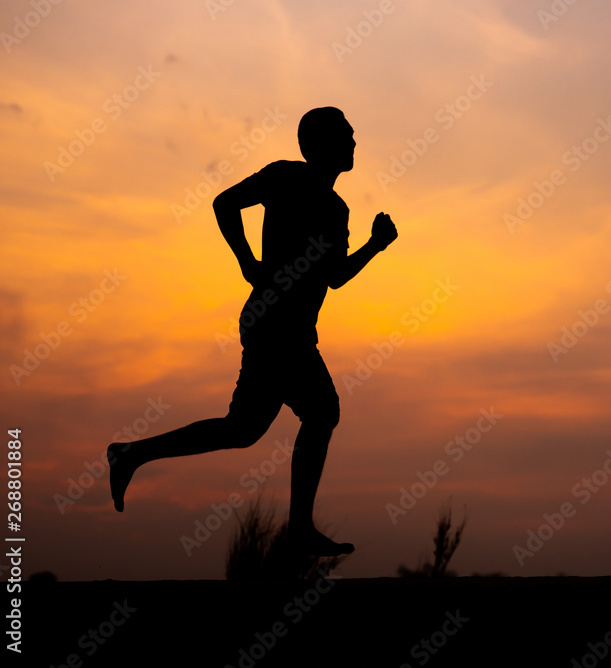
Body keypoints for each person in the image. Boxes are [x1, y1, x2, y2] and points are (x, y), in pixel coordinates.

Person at [108, 107, 397, 556]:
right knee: (321, 412)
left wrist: (374, 247)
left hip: (291, 328)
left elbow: (335, 276)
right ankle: (300, 529)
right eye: (346, 135)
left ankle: (130, 454)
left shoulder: (337, 210)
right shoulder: (284, 177)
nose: (355, 142)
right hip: (274, 323)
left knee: (242, 429)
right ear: (318, 144)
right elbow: (224, 203)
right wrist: (246, 261)